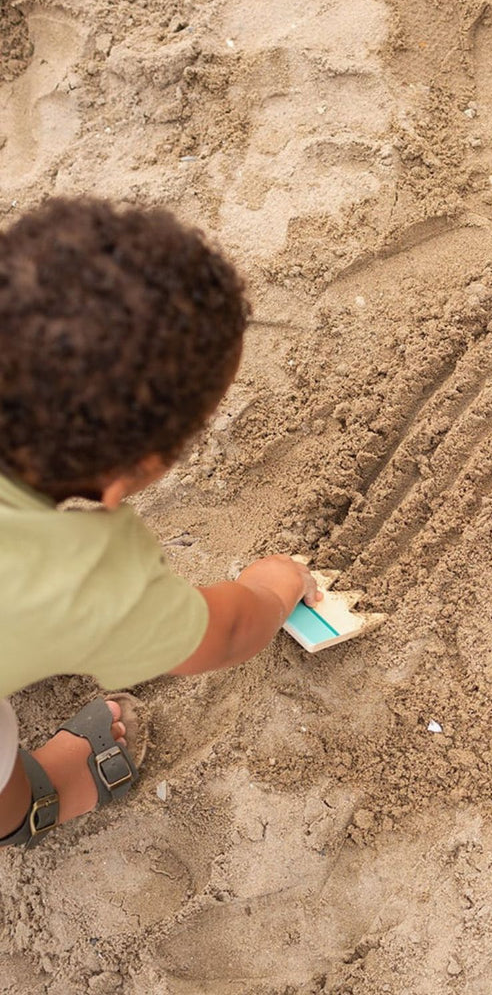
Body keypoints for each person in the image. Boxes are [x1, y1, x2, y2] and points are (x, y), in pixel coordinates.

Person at [0, 197, 321, 848]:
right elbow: (226, 634)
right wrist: (274, 583)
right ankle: (21, 809)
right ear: (130, 477)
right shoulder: (79, 578)